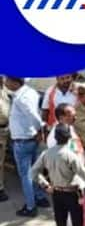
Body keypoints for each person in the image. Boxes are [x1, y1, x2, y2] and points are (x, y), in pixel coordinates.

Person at [5, 77, 47, 216]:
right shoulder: (31, 92)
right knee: (35, 171)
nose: (5, 83)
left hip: (23, 140)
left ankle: (30, 206)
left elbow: (33, 115)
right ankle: (40, 197)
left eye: (7, 81)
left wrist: (39, 129)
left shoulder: (20, 99)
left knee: (25, 175)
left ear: (15, 82)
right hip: (30, 138)